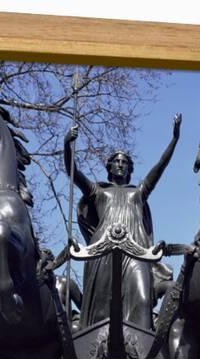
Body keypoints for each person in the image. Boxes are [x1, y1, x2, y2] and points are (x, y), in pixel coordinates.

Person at [63, 114, 182, 330]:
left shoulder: (138, 193)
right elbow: (73, 172)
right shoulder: (98, 192)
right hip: (102, 250)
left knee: (142, 298)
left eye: (124, 162)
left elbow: (159, 168)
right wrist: (67, 145)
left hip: (135, 249)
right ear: (109, 166)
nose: (120, 164)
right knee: (101, 305)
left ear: (129, 168)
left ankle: (141, 341)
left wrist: (174, 139)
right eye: (116, 161)